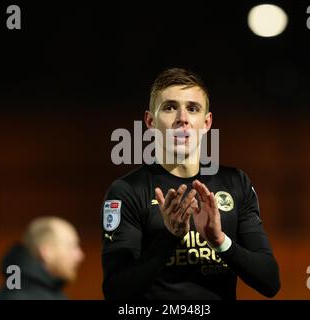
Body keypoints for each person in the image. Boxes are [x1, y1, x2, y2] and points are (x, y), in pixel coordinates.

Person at [101, 68, 280, 300]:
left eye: (192, 108)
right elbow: (116, 292)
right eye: (169, 107)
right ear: (150, 121)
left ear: (206, 122)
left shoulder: (236, 182)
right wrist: (169, 237)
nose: (182, 118)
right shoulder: (127, 191)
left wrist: (220, 241)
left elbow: (270, 282)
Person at [0, 216, 85, 300]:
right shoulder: (18, 296)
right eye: (71, 247)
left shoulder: (49, 291)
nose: (80, 255)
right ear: (47, 252)